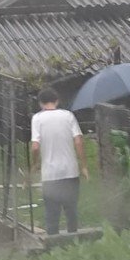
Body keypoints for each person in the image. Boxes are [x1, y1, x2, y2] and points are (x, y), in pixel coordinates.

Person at [31, 87, 88, 236]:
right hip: (70, 171)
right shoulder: (68, 116)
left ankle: (53, 244)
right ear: (57, 101)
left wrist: (35, 164)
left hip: (50, 175)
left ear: (40, 103)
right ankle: (74, 241)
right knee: (71, 210)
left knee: (52, 212)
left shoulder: (37, 118)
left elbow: (35, 147)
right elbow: (78, 141)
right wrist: (83, 166)